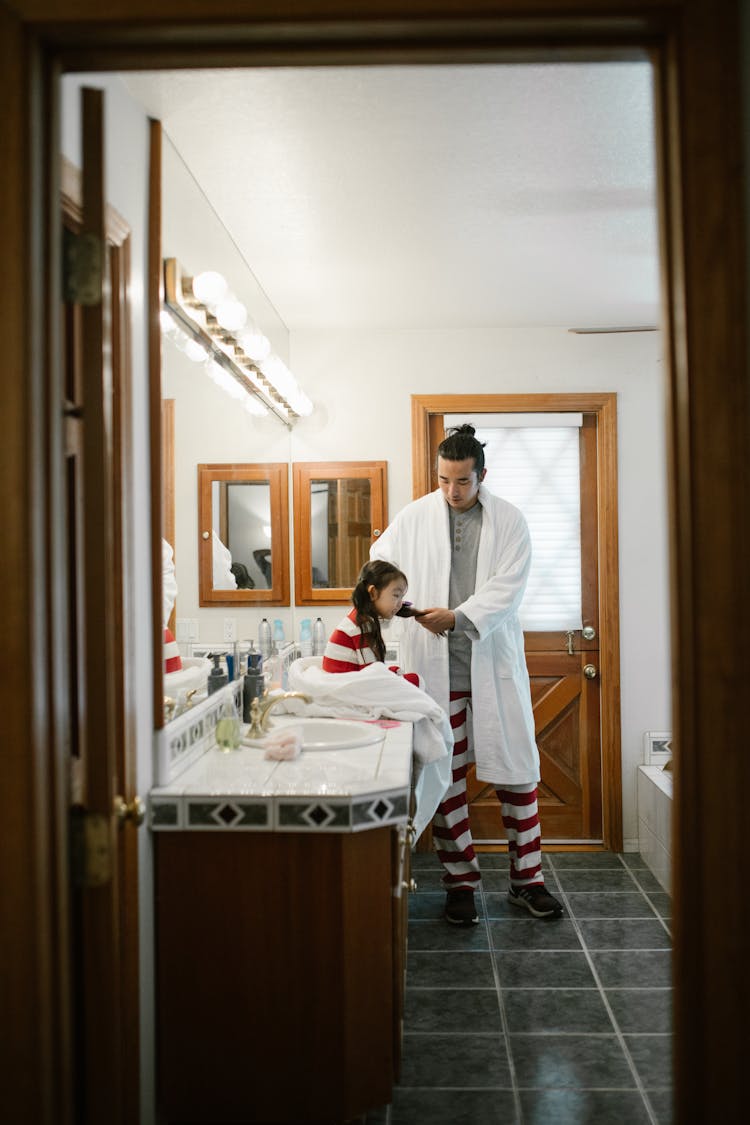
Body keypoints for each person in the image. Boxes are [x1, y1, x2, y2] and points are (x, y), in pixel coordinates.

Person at [371, 423, 563, 925]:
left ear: (482, 475)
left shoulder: (510, 521)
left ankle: (528, 880)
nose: (452, 492)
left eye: (462, 482)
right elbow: (379, 570)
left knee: (518, 774)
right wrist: (411, 610)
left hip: (491, 662)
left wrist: (458, 617)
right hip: (436, 670)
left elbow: (509, 587)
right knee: (445, 774)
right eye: (443, 481)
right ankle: (460, 883)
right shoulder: (413, 517)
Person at [322, 559, 420, 686]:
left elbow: (372, 671)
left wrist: (393, 673)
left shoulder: (359, 618)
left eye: (402, 597)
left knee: (401, 674)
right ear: (373, 592)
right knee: (416, 680)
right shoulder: (361, 626)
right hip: (347, 693)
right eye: (396, 595)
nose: (400, 604)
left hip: (347, 686)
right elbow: (373, 680)